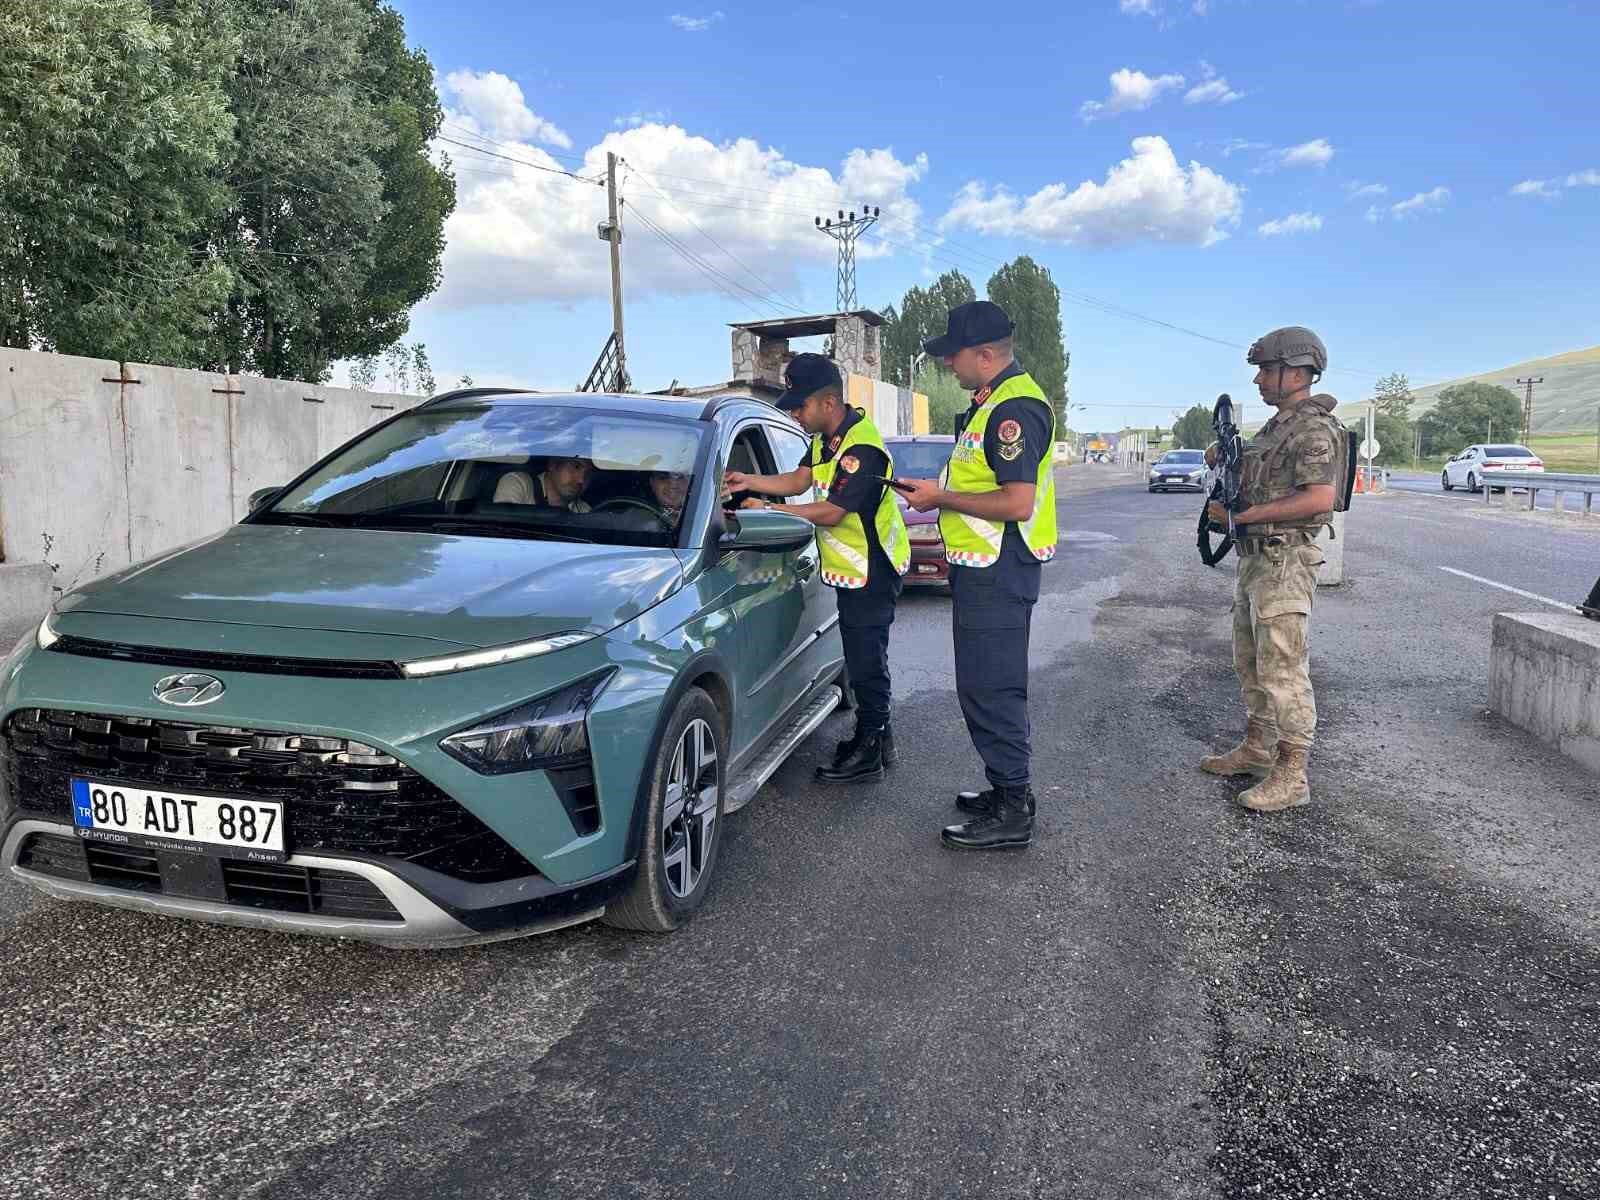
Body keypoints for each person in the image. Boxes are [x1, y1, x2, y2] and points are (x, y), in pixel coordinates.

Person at [896, 301, 1057, 850]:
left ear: (985, 355)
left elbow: (1017, 502)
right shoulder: (990, 404)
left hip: (999, 569)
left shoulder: (1015, 410)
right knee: (981, 685)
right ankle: (1003, 788)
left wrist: (939, 495)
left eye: (953, 355)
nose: (948, 365)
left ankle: (1014, 808)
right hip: (981, 568)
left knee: (994, 688)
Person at [724, 353, 909, 784]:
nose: (794, 413)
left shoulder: (861, 449)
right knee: (863, 659)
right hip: (852, 569)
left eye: (799, 405)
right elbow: (800, 479)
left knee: (866, 662)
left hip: (873, 571)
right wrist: (749, 481)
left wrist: (766, 508)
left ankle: (870, 750)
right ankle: (877, 739)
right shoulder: (827, 439)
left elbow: (832, 512)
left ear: (828, 403)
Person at [1199, 326, 1342, 812]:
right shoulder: (1278, 426)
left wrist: (1241, 517)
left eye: (1267, 370)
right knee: (1251, 659)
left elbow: (1319, 497)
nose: (1259, 379)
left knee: (1283, 668)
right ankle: (1258, 747)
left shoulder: (1312, 428)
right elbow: (1264, 480)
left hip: (1285, 560)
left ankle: (1292, 775)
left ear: (1297, 373)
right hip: (1257, 560)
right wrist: (1225, 460)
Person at [495, 454, 593, 512]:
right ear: (552, 465)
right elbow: (501, 530)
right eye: (576, 467)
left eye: (588, 473)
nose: (581, 480)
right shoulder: (519, 483)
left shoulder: (583, 511)